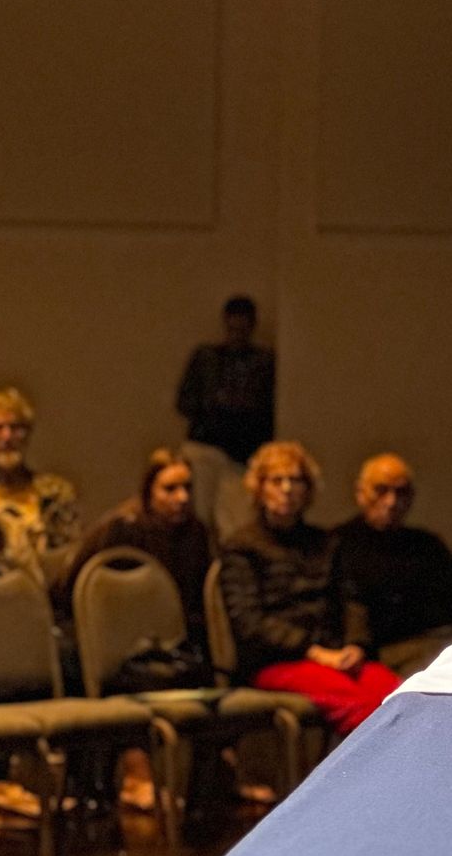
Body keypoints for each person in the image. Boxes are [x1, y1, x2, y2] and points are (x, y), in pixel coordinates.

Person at [219, 441, 398, 734]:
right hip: (278, 660)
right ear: (260, 488)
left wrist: (356, 644)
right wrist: (312, 650)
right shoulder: (242, 547)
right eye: (277, 480)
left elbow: (351, 600)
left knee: (399, 696)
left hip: (333, 654)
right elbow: (249, 623)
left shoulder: (325, 542)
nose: (287, 489)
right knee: (363, 708)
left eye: (296, 480)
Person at [57, 448, 216, 674]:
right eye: (170, 489)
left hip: (174, 640)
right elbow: (74, 588)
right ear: (149, 491)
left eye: (187, 488)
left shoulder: (196, 532)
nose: (182, 498)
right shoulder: (123, 528)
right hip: (120, 637)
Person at [332, 453, 452, 679]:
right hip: (394, 648)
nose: (391, 502)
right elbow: (354, 605)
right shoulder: (341, 543)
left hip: (447, 638)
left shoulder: (424, 542)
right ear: (361, 492)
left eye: (401, 492)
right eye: (381, 490)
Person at [176, 296, 276, 539]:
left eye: (242, 329)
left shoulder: (263, 363)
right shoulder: (207, 358)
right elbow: (184, 401)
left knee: (236, 523)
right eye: (233, 329)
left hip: (242, 453)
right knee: (200, 519)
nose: (236, 336)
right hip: (207, 447)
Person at [0, 386, 80, 586]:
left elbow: (70, 553)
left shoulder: (55, 492)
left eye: (15, 428)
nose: (7, 437)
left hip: (45, 596)